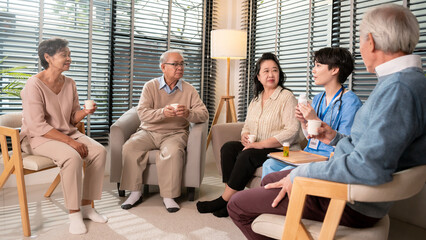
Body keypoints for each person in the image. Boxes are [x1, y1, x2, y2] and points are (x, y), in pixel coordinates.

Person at [227, 4, 426, 239]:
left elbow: (369, 167)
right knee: (271, 178)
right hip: (349, 187)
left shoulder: (398, 89)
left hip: (349, 199)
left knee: (237, 205)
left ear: (370, 41)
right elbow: (367, 146)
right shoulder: (403, 82)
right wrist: (333, 136)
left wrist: (304, 173)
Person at [196, 52, 302, 218]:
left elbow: (292, 131)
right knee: (228, 148)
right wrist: (245, 134)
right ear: (258, 76)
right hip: (257, 145)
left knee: (248, 155)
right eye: (266, 71)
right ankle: (231, 199)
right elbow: (247, 125)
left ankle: (224, 201)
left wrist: (260, 144)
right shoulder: (256, 99)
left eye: (275, 70)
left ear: (279, 74)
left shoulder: (286, 97)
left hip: (281, 149)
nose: (271, 74)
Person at [20, 38, 108, 235]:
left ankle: (87, 207)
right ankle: (74, 214)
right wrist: (70, 142)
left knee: (100, 152)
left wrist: (85, 113)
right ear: (48, 57)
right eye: (64, 55)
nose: (69, 58)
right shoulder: (34, 84)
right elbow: (37, 125)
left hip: (67, 132)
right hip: (38, 137)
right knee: (72, 156)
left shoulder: (69, 82)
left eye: (69, 55)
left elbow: (72, 117)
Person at [119, 49, 209, 213]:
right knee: (129, 147)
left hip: (175, 134)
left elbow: (203, 114)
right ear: (163, 67)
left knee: (173, 152)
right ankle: (135, 192)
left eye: (182, 64)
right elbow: (142, 113)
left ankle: (169, 196)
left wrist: (189, 113)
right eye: (175, 64)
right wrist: (162, 113)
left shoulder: (189, 90)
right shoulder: (150, 86)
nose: (180, 67)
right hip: (148, 132)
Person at [261, 47, 362, 178]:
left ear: (335, 70)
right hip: (309, 153)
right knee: (269, 164)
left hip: (327, 159)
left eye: (318, 66)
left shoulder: (350, 102)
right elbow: (310, 136)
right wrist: (304, 122)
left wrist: (314, 118)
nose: (313, 70)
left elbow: (346, 144)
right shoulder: (318, 98)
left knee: (281, 173)